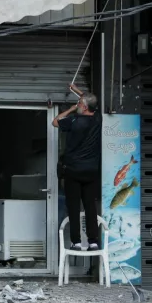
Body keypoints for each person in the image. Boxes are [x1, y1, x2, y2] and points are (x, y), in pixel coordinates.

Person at [53, 84, 102, 250]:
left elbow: (55, 122)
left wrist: (70, 109)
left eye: (80, 103)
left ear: (84, 106)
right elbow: (93, 101)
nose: (79, 105)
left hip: (73, 171)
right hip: (91, 172)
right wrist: (79, 92)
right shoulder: (97, 119)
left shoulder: (73, 120)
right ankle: (93, 241)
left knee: (73, 207)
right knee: (90, 207)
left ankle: (76, 241)